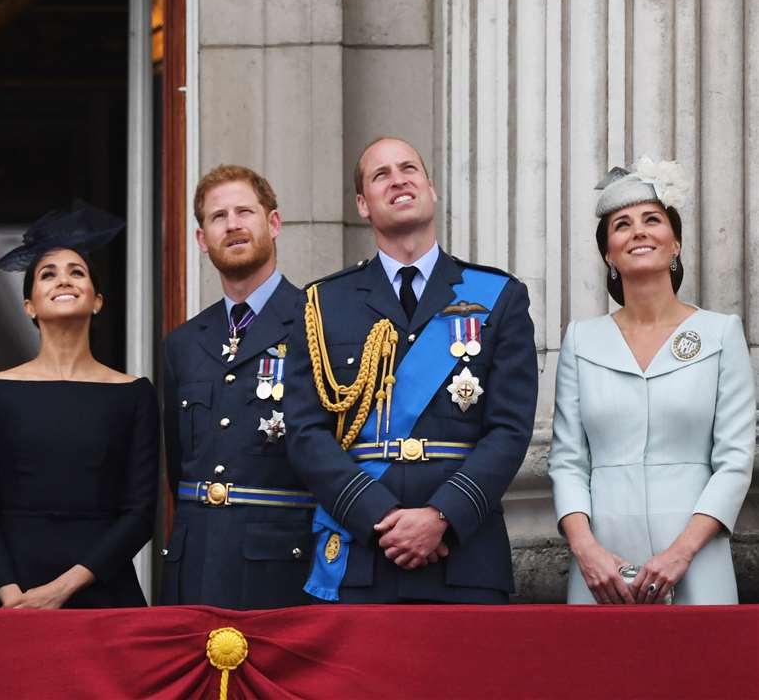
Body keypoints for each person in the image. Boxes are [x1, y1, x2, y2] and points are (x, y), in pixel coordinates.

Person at [284, 137, 537, 603]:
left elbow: (509, 429)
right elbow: (304, 432)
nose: (398, 179)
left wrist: (442, 515)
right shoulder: (323, 304)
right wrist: (378, 515)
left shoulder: (498, 295)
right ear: (363, 204)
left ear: (431, 188)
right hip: (363, 554)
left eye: (409, 169)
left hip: (464, 555)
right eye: (380, 175)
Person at [550, 159, 755, 605]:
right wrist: (587, 551)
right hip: (602, 565)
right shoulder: (581, 340)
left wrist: (681, 553)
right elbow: (567, 461)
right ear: (608, 252)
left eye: (652, 219)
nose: (638, 231)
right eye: (622, 224)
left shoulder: (720, 333)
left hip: (696, 555)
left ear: (675, 242)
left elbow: (736, 458)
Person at [0, 203, 159, 609]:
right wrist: (12, 596)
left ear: (98, 299)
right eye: (47, 274)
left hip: (102, 590)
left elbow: (140, 514)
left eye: (77, 271)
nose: (62, 280)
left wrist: (61, 590)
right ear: (30, 305)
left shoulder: (134, 393)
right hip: (10, 595)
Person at [159, 165, 315, 608]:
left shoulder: (317, 323)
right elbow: (179, 465)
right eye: (218, 216)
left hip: (282, 566)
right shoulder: (184, 343)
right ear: (201, 239)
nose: (232, 225)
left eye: (245, 211)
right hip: (195, 564)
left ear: (274, 223)